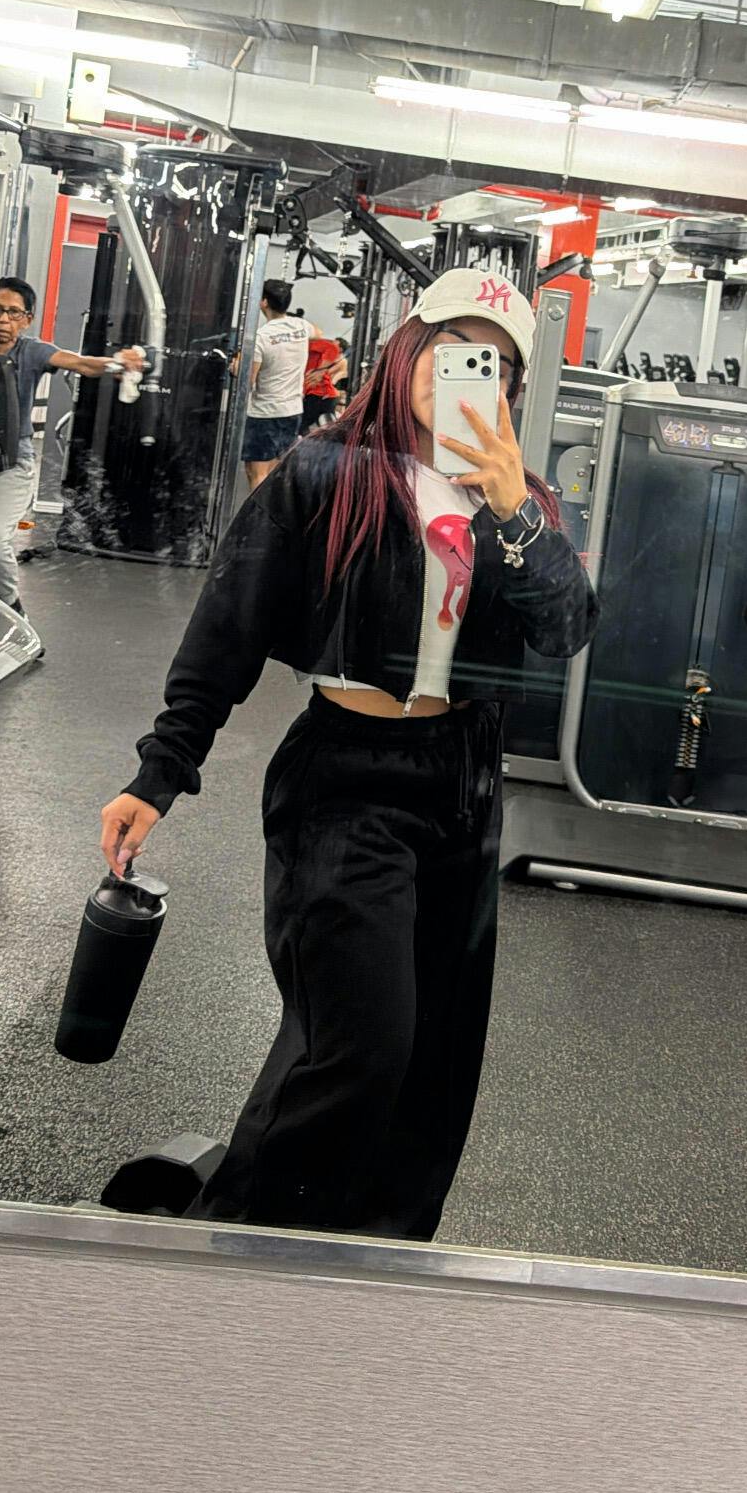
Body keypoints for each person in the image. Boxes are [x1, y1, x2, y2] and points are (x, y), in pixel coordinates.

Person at [98, 267, 597, 1241]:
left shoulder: (520, 501)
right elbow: (228, 629)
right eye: (451, 349)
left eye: (493, 363)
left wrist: (514, 512)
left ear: (512, 387)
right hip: (347, 776)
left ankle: (378, 1260)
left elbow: (567, 628)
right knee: (361, 1044)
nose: (468, 372)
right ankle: (236, 1238)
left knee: (435, 1065)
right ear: (408, 353)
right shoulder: (327, 473)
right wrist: (161, 772)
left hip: (465, 780)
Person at [0, 277, 145, 613]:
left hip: (11, 465)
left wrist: (117, 363)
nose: (3, 320)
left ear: (27, 319)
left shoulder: (31, 351)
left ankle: (12, 612)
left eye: (13, 313)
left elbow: (80, 363)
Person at [240, 277, 309, 488]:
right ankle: (270, 509)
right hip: (292, 411)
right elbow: (319, 333)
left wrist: (237, 368)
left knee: (257, 473)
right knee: (275, 472)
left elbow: (248, 381)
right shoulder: (301, 326)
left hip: (265, 414)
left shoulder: (261, 337)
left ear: (263, 302)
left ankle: (257, 510)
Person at [300, 329, 343, 432]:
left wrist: (320, 370)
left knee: (302, 427)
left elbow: (332, 348)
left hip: (319, 394)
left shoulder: (305, 343)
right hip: (313, 394)